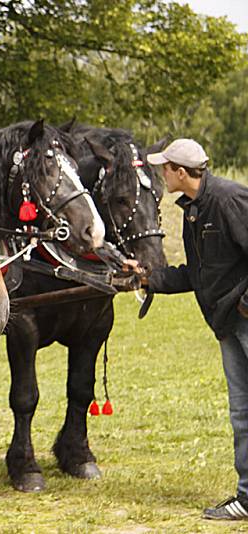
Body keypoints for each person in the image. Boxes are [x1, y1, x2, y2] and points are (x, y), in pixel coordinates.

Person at [144, 138, 248, 520]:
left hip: (243, 319)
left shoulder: (228, 199)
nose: (162, 174)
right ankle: (247, 499)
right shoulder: (192, 210)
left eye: (165, 168)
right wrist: (149, 279)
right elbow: (197, 272)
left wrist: (245, 306)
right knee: (242, 413)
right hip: (227, 324)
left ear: (181, 172)